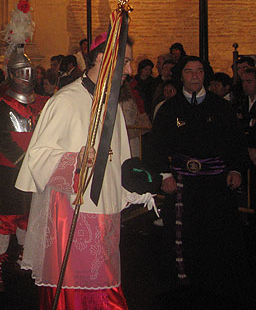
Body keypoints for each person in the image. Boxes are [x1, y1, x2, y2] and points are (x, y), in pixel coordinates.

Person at [16, 34, 138, 309]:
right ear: (101, 60)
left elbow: (119, 158)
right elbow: (37, 158)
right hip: (73, 212)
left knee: (106, 286)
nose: (130, 70)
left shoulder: (112, 103)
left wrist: (135, 184)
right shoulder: (66, 101)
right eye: (126, 62)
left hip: (105, 212)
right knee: (80, 294)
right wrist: (75, 160)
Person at [151, 56, 250, 308]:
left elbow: (236, 142)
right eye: (188, 72)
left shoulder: (221, 108)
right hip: (182, 185)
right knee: (183, 238)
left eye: (199, 71)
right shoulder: (169, 109)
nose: (194, 76)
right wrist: (164, 174)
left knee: (216, 236)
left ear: (205, 75)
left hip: (216, 185)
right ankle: (182, 289)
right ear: (180, 76)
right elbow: (157, 145)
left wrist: (237, 169)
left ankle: (216, 285)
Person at [0, 46, 47, 292]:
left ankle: (24, 259)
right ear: (11, 74)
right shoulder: (0, 105)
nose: (25, 75)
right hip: (11, 171)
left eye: (28, 70)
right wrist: (24, 161)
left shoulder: (41, 104)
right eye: (20, 71)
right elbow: (1, 138)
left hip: (34, 170)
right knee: (6, 219)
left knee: (28, 218)